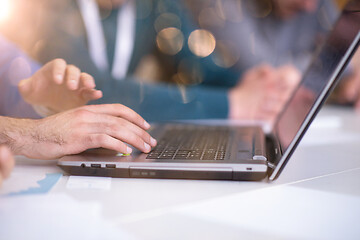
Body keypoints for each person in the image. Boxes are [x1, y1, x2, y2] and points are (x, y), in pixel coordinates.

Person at [0, 0, 300, 123]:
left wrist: (262, 86)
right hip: (44, 159)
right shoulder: (46, 8)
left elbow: (200, 69)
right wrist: (235, 103)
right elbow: (87, 95)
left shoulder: (152, 4)